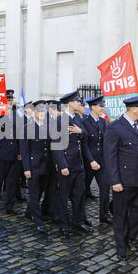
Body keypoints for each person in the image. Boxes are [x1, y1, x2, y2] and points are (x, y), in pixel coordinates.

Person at [104, 95, 138, 263]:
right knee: (120, 214)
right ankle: (121, 247)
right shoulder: (115, 127)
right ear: (135, 109)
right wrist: (115, 181)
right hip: (123, 181)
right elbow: (110, 157)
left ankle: (129, 236)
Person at [51, 91, 93, 237]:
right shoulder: (59, 120)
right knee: (63, 196)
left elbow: (85, 136)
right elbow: (56, 145)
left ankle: (78, 220)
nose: (79, 104)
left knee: (79, 195)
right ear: (69, 103)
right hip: (67, 165)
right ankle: (63, 223)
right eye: (76, 101)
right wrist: (62, 165)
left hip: (78, 163)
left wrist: (80, 131)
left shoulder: (77, 118)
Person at [0, 89, 22, 215]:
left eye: (11, 100)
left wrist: (19, 151)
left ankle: (9, 206)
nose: (10, 102)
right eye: (7, 100)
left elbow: (19, 134)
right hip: (0, 152)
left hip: (13, 152)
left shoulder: (16, 114)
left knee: (12, 181)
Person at [20, 100, 51, 233]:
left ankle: (29, 212)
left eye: (44, 111)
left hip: (45, 165)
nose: (42, 113)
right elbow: (24, 150)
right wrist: (26, 168)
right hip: (33, 165)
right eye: (39, 111)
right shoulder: (27, 128)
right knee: (33, 193)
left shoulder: (48, 126)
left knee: (40, 191)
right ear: (34, 113)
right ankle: (38, 221)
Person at [83, 96, 111, 224]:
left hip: (102, 161)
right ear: (93, 107)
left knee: (105, 189)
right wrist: (91, 161)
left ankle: (104, 215)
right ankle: (81, 217)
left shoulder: (103, 122)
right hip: (88, 161)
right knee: (82, 191)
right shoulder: (85, 121)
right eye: (100, 106)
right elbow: (84, 144)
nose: (102, 108)